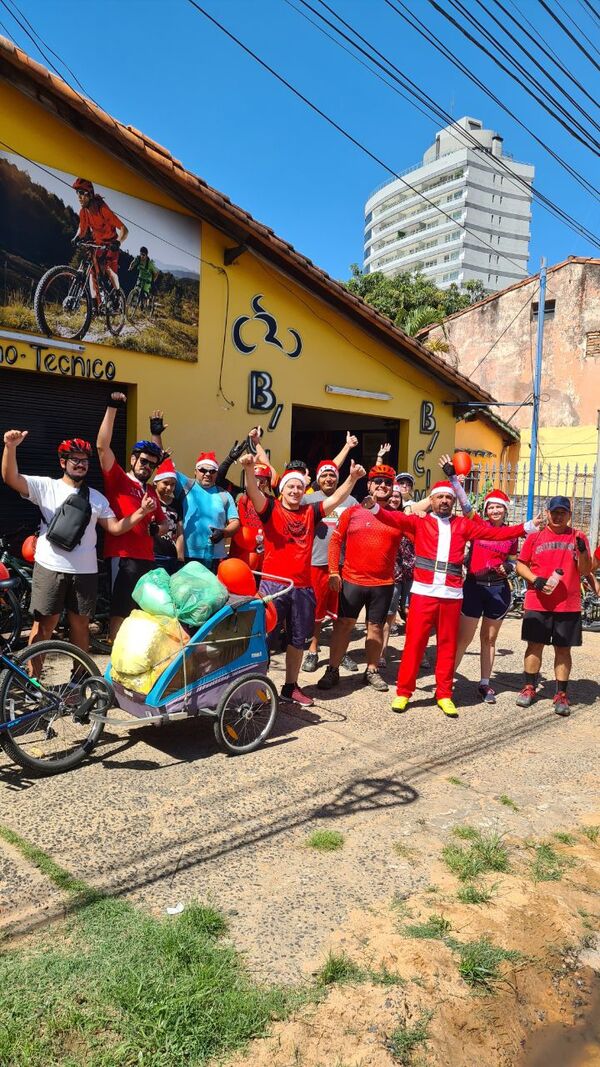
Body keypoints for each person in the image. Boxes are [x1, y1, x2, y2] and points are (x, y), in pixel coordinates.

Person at [364, 467, 541, 716]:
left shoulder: (463, 525)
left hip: (451, 596)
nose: (445, 501)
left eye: (449, 497)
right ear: (432, 500)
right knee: (414, 644)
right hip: (424, 593)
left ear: (453, 501)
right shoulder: (419, 522)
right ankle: (404, 692)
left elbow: (496, 532)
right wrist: (372, 507)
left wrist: (528, 526)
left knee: (447, 646)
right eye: (440, 497)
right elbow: (392, 518)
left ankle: (444, 694)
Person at [2, 430, 156, 650]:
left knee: (81, 625)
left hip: (85, 571)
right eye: (75, 459)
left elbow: (114, 528)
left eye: (85, 460)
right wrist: (10, 447)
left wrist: (140, 512)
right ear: (63, 462)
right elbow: (11, 478)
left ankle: (79, 680)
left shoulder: (97, 498)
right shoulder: (46, 486)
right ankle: (33, 681)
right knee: (45, 624)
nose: (81, 464)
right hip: (50, 566)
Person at [240, 452, 366, 707]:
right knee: (262, 639)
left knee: (298, 640)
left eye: (299, 486)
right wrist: (249, 468)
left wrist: (352, 479)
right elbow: (253, 491)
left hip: (302, 588)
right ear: (283, 490)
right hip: (273, 587)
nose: (295, 490)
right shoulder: (270, 508)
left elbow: (337, 498)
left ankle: (290, 687)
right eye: (290, 486)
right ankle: (254, 688)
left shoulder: (311, 511)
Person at [317, 464, 404, 694]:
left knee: (375, 627)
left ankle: (372, 670)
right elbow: (335, 541)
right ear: (369, 485)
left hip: (383, 584)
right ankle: (332, 669)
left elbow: (421, 534)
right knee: (343, 626)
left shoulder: (398, 517)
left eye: (387, 482)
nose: (382, 485)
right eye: (378, 481)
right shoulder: (352, 512)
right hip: (352, 581)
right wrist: (334, 572)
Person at [97, 393, 167, 640]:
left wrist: (157, 529)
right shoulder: (118, 479)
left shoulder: (149, 491)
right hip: (123, 557)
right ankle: (114, 662)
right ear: (132, 459)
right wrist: (112, 407)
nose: (147, 467)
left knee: (141, 613)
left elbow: (165, 521)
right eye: (143, 461)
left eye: (151, 464)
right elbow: (102, 447)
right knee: (120, 611)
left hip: (147, 558)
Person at [515, 495, 592, 717]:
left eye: (563, 513)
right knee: (534, 645)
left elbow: (585, 571)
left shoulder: (579, 537)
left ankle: (561, 694)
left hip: (567, 605)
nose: (558, 516)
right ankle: (529, 687)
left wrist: (583, 552)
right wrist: (535, 580)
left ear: (569, 515)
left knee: (563, 649)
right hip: (538, 602)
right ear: (547, 513)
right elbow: (521, 564)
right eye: (554, 512)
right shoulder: (535, 536)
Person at [150, 412, 240, 572]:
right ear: (195, 471)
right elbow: (162, 464)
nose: (207, 473)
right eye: (203, 470)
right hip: (187, 556)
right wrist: (156, 435)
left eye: (212, 471)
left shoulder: (224, 495)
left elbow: (235, 522)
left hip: (215, 557)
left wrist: (224, 532)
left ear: (216, 473)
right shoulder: (185, 485)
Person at [454, 489, 519, 704]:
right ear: (486, 510)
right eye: (491, 507)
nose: (495, 510)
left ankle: (484, 683)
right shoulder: (478, 525)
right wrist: (455, 481)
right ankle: (445, 680)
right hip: (474, 587)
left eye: (499, 506)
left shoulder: (512, 534)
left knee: (489, 639)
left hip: (498, 590)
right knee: (464, 638)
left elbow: (514, 560)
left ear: (505, 510)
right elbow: (465, 506)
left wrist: (508, 567)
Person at [301, 460, 359, 675]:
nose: (328, 479)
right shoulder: (308, 500)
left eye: (332, 475)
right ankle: (313, 651)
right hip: (316, 563)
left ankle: (340, 652)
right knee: (316, 614)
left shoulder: (351, 500)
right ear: (318, 478)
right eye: (324, 475)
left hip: (343, 565)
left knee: (341, 615)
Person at [72, 177, 128, 300]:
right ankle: (95, 303)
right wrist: (76, 237)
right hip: (97, 245)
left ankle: (117, 296)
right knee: (92, 272)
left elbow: (124, 230)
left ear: (90, 194)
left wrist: (118, 242)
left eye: (82, 193)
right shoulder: (84, 212)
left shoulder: (103, 209)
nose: (79, 197)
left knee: (109, 270)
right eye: (77, 193)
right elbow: (82, 229)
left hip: (110, 245)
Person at [152, 456, 184, 574]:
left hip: (171, 556)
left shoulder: (176, 504)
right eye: (165, 483)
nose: (169, 487)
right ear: (155, 482)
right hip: (153, 554)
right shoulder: (150, 500)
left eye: (173, 484)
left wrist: (180, 557)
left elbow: (179, 532)